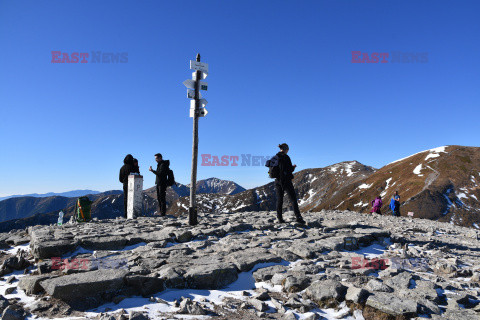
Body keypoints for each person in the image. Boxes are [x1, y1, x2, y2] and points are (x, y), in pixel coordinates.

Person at [274, 143, 305, 224]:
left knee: (279, 200)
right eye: (288, 149)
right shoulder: (286, 157)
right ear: (286, 149)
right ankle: (298, 217)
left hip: (277, 181)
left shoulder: (275, 157)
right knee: (293, 199)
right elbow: (289, 170)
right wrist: (293, 167)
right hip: (286, 180)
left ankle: (280, 218)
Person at [119, 154, 136, 218]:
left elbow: (120, 179)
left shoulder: (122, 168)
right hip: (132, 185)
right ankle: (133, 213)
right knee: (133, 199)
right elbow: (136, 175)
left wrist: (124, 181)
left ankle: (126, 214)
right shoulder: (133, 167)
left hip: (125, 184)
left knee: (126, 199)